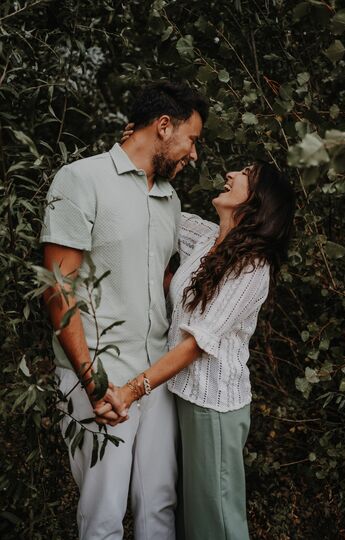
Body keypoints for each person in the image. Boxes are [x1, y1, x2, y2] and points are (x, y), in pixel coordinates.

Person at [40, 81, 209, 540]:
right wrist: (94, 383)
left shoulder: (170, 199)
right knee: (104, 516)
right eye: (191, 140)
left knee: (159, 508)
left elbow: (160, 280)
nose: (192, 154)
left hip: (155, 378)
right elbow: (58, 289)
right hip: (98, 375)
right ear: (164, 126)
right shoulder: (81, 179)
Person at [95, 162, 295, 540]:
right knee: (191, 520)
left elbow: (194, 346)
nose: (232, 174)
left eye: (245, 175)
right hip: (184, 398)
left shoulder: (253, 267)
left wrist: (130, 390)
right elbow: (158, 211)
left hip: (214, 409)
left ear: (256, 201)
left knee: (216, 524)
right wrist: (142, 160)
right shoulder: (207, 238)